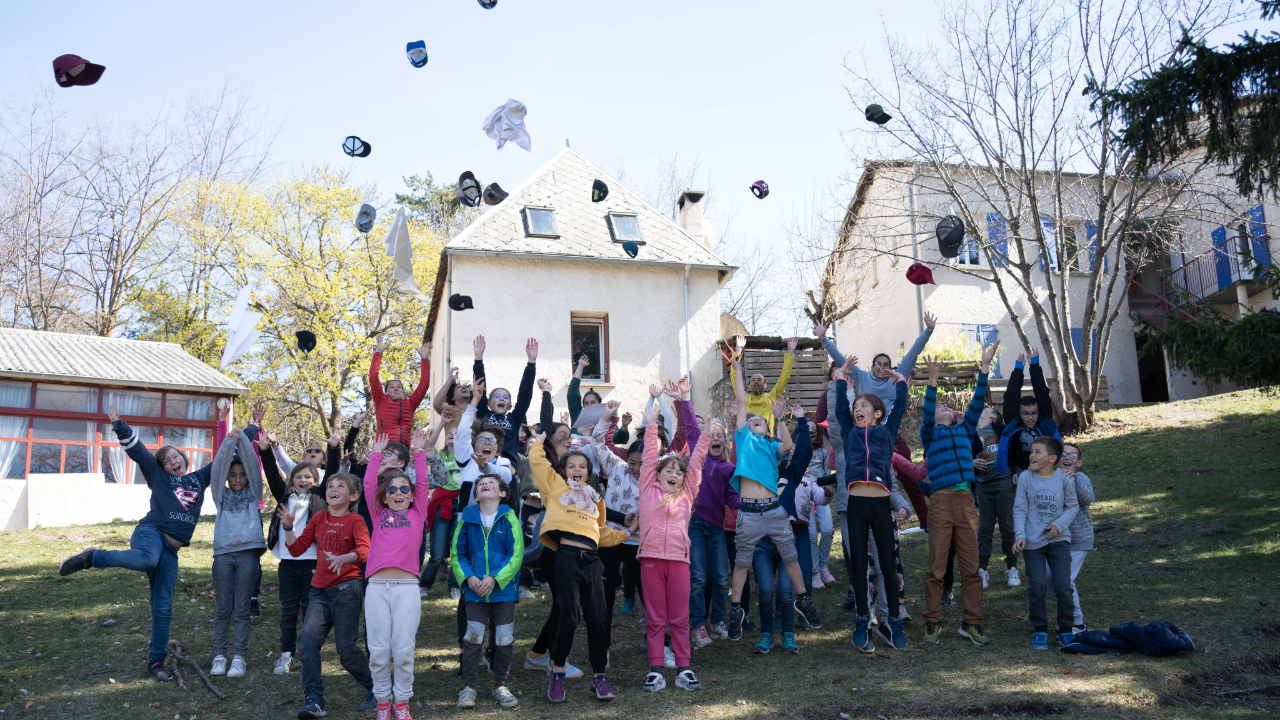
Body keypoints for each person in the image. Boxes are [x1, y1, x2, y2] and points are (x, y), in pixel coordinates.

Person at [58, 401, 251, 682]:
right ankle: (92, 557)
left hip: (171, 552)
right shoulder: (158, 475)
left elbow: (224, 455)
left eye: (176, 457)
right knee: (147, 558)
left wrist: (247, 429)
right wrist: (118, 424)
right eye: (167, 460)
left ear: (184, 458)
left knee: (163, 607)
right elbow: (137, 452)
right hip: (150, 533)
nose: (173, 462)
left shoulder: (199, 478)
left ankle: (156, 662)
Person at [527, 430, 630, 703]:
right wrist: (538, 443)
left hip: (592, 561)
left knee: (597, 618)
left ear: (588, 471)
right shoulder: (556, 487)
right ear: (563, 470)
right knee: (569, 615)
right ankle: (557, 670)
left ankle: (599, 677)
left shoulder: (596, 498)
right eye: (571, 465)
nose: (577, 469)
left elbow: (601, 532)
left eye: (582, 466)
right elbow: (538, 464)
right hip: (566, 557)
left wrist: (626, 535)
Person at [726, 355, 821, 641]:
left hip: (774, 511)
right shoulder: (743, 439)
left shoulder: (771, 446)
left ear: (766, 429)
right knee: (742, 564)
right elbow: (743, 403)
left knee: (791, 559)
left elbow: (789, 445)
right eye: (752, 420)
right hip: (749, 514)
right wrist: (738, 370)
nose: (755, 421)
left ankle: (803, 599)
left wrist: (779, 418)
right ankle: (735, 609)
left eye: (760, 421)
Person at [815, 315, 935, 522]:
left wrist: (928, 331)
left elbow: (914, 352)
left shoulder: (897, 375)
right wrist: (824, 338)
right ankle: (867, 517)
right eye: (877, 364)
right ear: (871, 367)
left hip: (891, 437)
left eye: (885, 364)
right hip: (866, 437)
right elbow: (842, 361)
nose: (881, 367)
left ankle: (924, 521)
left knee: (910, 480)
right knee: (872, 476)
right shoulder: (861, 376)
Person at [362, 429, 445, 720]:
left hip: (407, 588)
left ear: (411, 497)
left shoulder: (418, 512)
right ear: (385, 497)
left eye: (403, 489)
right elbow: (370, 483)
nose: (398, 492)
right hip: (377, 587)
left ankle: (402, 703)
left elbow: (422, 484)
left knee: (405, 650)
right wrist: (375, 454)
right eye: (393, 489)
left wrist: (420, 452)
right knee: (379, 650)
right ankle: (383, 703)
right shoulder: (377, 512)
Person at [919, 344, 998, 648]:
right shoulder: (930, 434)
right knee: (937, 567)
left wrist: (985, 368)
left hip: (966, 504)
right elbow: (928, 412)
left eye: (947, 407)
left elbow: (977, 402)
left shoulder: (965, 431)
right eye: (940, 407)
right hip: (940, 502)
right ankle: (932, 621)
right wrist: (931, 383)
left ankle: (971, 623)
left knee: (971, 566)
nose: (943, 408)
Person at [279, 473, 375, 718]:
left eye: (340, 486)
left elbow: (365, 550)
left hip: (347, 588)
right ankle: (314, 699)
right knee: (307, 643)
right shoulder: (320, 517)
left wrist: (345, 558)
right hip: (319, 591)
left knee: (345, 648)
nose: (333, 489)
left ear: (353, 496)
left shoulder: (356, 520)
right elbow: (297, 548)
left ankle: (377, 689)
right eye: (330, 486)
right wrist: (288, 527)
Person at [834, 354, 908, 652]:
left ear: (878, 413)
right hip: (855, 506)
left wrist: (900, 382)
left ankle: (892, 621)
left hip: (881, 507)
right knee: (860, 567)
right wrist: (840, 379)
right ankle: (863, 618)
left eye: (864, 405)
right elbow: (840, 407)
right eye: (856, 407)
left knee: (888, 566)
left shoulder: (885, 432)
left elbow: (900, 407)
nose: (857, 409)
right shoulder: (851, 432)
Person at [637, 404, 711, 692]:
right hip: (651, 561)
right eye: (667, 470)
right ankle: (656, 671)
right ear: (657, 474)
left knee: (680, 619)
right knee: (656, 619)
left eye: (677, 472)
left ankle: (684, 669)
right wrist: (652, 423)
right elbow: (647, 457)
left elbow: (697, 463)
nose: (674, 474)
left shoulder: (687, 493)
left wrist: (705, 434)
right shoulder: (647, 487)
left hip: (679, 561)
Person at [453, 474, 524, 710]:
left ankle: (499, 685)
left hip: (503, 590)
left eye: (492, 483)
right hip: (474, 590)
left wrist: (496, 578)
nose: (485, 484)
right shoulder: (467, 518)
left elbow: (515, 555)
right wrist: (469, 577)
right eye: (481, 484)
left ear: (502, 493)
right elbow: (457, 554)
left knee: (504, 638)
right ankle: (469, 687)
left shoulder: (509, 517)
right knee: (472, 637)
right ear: (475, 495)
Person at [208, 407, 267, 679]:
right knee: (223, 609)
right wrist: (229, 440)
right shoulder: (220, 495)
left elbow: (253, 466)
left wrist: (243, 438)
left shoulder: (254, 491)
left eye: (241, 475)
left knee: (242, 610)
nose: (238, 479)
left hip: (247, 555)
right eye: (233, 476)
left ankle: (239, 658)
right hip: (223, 556)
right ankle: (220, 656)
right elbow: (218, 468)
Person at [260, 436, 326, 676]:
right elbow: (271, 473)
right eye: (298, 476)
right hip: (287, 564)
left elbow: (334, 467)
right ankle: (286, 654)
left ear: (316, 480)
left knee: (310, 610)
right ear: (292, 480)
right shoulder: (284, 496)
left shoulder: (320, 498)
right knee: (288, 610)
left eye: (308, 477)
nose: (303, 480)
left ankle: (309, 653)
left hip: (312, 562)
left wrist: (336, 447)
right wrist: (266, 450)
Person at [998, 348, 1062, 592]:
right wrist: (1017, 369)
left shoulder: (1044, 421)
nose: (1030, 418)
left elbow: (1043, 394)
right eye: (1026, 414)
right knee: (1022, 511)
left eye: (1033, 413)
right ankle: (1026, 548)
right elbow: (1011, 398)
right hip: (1022, 473)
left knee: (1048, 507)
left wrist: (1034, 365)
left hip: (1047, 473)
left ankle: (1053, 545)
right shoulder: (1014, 422)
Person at [684, 385, 739, 648]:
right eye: (711, 435)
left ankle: (717, 622)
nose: (714, 438)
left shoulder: (729, 467)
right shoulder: (699, 460)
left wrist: (749, 504)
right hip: (695, 525)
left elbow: (732, 498)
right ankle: (698, 626)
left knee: (721, 577)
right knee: (698, 577)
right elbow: (693, 431)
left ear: (724, 441)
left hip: (717, 527)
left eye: (719, 435)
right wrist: (685, 399)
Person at [1012, 437, 1079, 650]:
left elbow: (1072, 506)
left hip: (1059, 540)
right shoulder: (1025, 477)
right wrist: (1020, 534)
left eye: (1038, 452)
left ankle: (1066, 630)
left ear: (1052, 458)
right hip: (1032, 542)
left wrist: (1058, 525)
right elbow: (1020, 508)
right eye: (1032, 451)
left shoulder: (1064, 479)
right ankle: (1040, 630)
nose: (1032, 455)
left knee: (1063, 586)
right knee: (1037, 587)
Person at [590, 401, 644, 654]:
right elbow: (597, 443)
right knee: (606, 593)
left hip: (640, 543)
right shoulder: (617, 467)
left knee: (648, 595)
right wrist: (607, 417)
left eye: (642, 463)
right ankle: (604, 645)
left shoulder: (657, 475)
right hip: (610, 540)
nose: (636, 468)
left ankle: (654, 639)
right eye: (633, 462)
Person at [471, 335, 537, 461]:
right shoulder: (484, 415)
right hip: (485, 463)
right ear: (489, 403)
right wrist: (478, 358)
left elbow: (525, 394)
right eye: (497, 396)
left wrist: (531, 363)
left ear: (510, 405)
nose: (501, 399)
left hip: (508, 467)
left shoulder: (514, 419)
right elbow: (480, 389)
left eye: (505, 397)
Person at [972, 407, 1018, 591]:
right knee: (985, 528)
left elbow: (1014, 451)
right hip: (983, 486)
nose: (979, 408)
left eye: (984, 408)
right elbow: (962, 455)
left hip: (1003, 482)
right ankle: (982, 570)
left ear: (992, 416)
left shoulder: (1001, 430)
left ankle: (1012, 567)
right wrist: (971, 463)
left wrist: (1015, 471)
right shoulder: (970, 432)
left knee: (1007, 527)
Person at [418, 410, 461, 599]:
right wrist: (443, 423)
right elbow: (428, 445)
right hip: (442, 505)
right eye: (450, 433)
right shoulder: (440, 456)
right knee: (436, 554)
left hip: (461, 505)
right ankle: (424, 585)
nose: (453, 435)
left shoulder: (467, 457)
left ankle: (454, 587)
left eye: (457, 433)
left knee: (458, 551)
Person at [1054, 443, 1094, 634]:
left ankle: (1076, 622)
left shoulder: (1082, 477)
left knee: (1065, 580)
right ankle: (1067, 616)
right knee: (1049, 579)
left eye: (1073, 455)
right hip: (1054, 538)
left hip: (1078, 538)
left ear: (1079, 462)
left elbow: (1087, 499)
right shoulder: (1049, 478)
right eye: (1063, 454)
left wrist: (1075, 479)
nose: (1067, 457)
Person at [369, 335, 431, 447]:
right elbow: (373, 377)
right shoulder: (381, 401)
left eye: (399, 386)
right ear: (386, 391)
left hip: (403, 450)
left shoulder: (410, 404)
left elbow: (424, 384)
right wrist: (378, 352)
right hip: (384, 448)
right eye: (392, 387)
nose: (396, 388)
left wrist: (424, 359)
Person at [728, 334, 797, 431]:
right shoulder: (744, 398)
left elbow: (784, 378)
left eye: (759, 380)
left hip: (767, 440)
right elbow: (734, 376)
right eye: (753, 380)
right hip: (748, 440)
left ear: (765, 385)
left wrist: (790, 353)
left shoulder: (771, 397)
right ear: (749, 386)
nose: (756, 381)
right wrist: (738, 350)